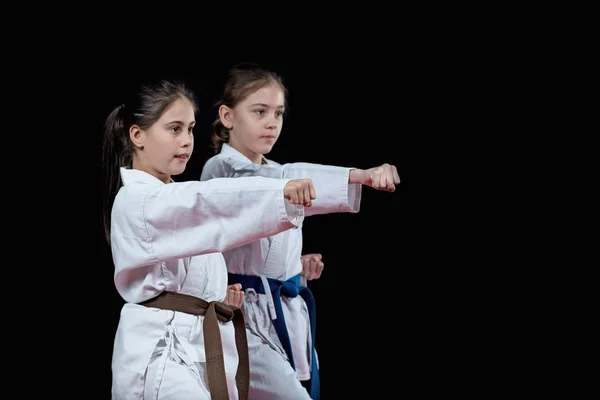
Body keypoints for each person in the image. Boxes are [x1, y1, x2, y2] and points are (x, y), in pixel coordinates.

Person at [102, 78, 318, 400]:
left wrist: (218, 300)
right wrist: (277, 192)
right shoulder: (139, 200)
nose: (186, 141)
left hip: (196, 346)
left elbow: (201, 232)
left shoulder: (168, 197)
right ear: (138, 135)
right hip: (161, 352)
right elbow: (206, 203)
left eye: (189, 129)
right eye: (174, 129)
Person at [200, 64, 401, 399]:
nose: (271, 122)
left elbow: (266, 238)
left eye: (278, 113)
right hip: (242, 317)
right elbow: (270, 186)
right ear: (227, 116)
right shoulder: (220, 169)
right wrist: (360, 175)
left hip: (284, 312)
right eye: (259, 111)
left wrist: (296, 266)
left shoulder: (278, 172)